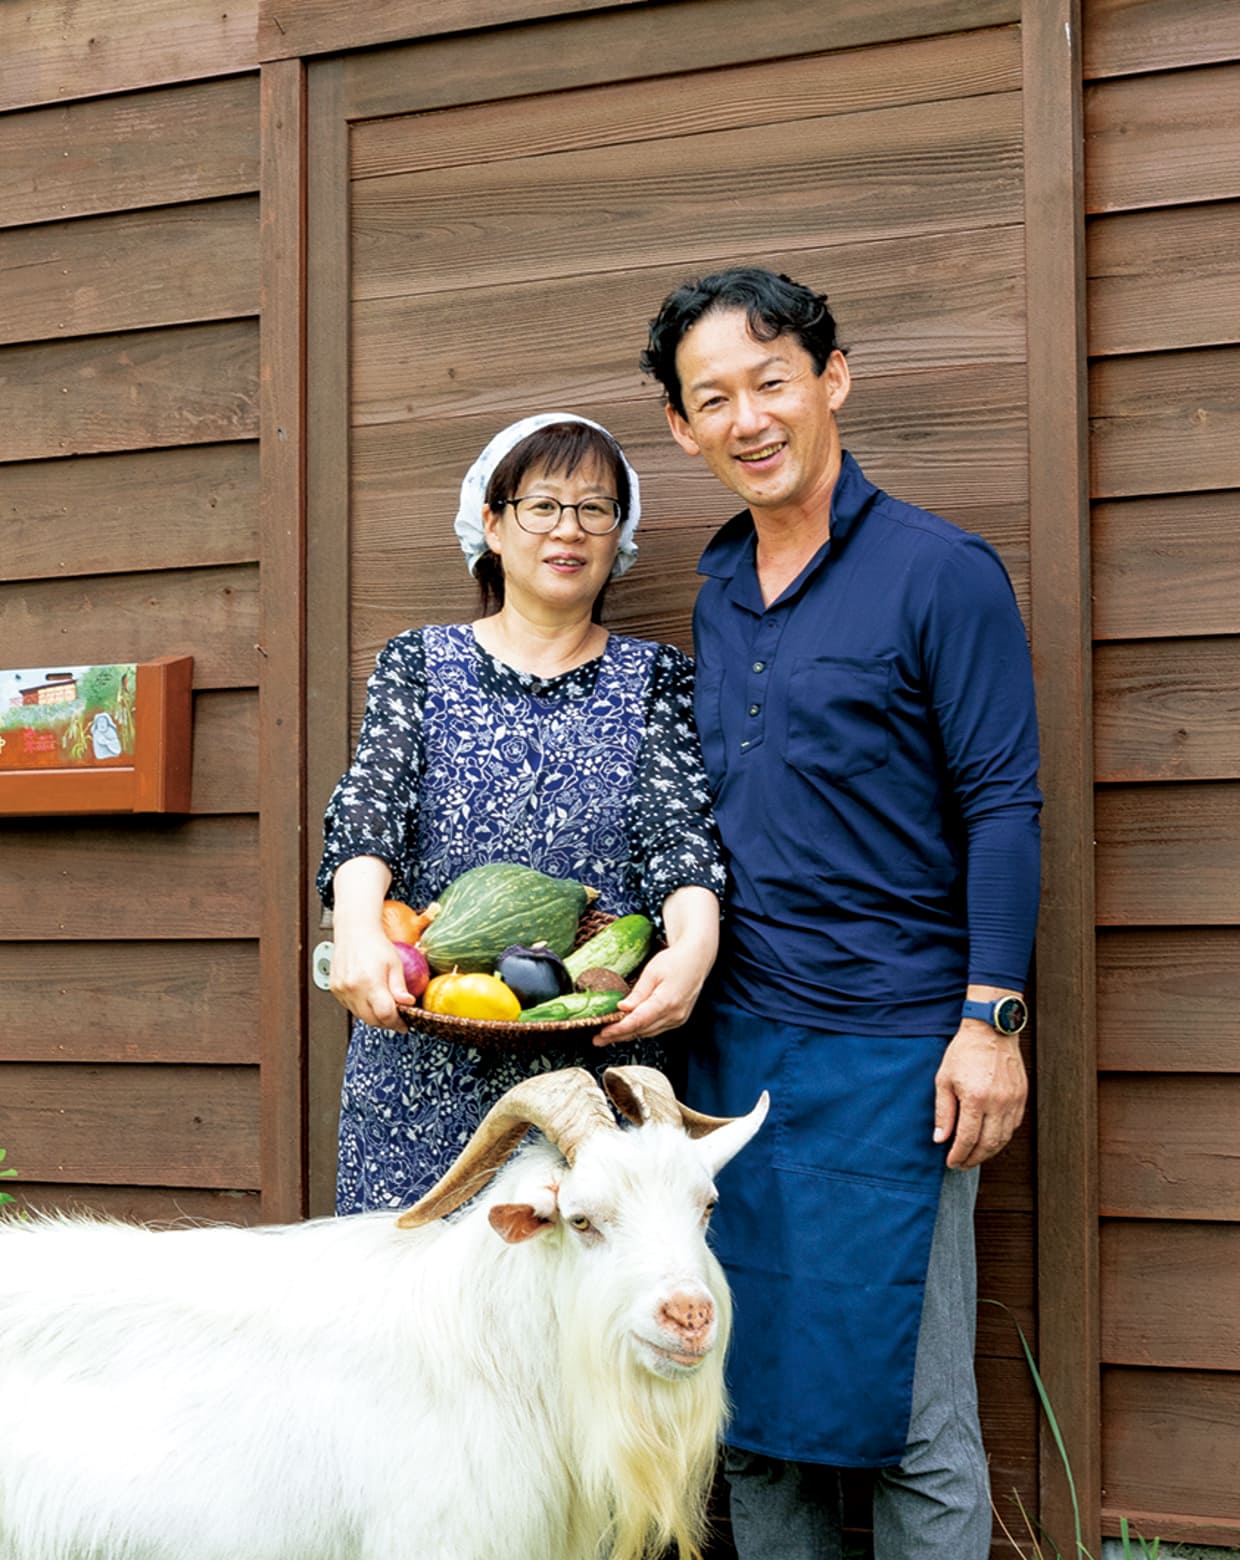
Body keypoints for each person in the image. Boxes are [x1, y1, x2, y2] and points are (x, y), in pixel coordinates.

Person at [639, 268, 1042, 1559]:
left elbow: (1004, 806)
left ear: (832, 379)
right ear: (682, 430)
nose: (749, 417)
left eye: (772, 381)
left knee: (915, 1422)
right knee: (751, 1415)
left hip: (899, 1063)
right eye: (716, 399)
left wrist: (991, 1019)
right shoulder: (716, 590)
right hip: (739, 1061)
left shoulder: (941, 574)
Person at [318, 412, 724, 1214]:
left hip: (593, 1077)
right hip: (421, 1064)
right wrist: (359, 930)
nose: (567, 531)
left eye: (594, 509)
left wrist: (696, 947)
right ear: (492, 526)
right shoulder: (418, 663)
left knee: (575, 1319)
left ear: (619, 537)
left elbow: (681, 834)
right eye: (542, 506)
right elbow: (369, 808)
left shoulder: (657, 679)